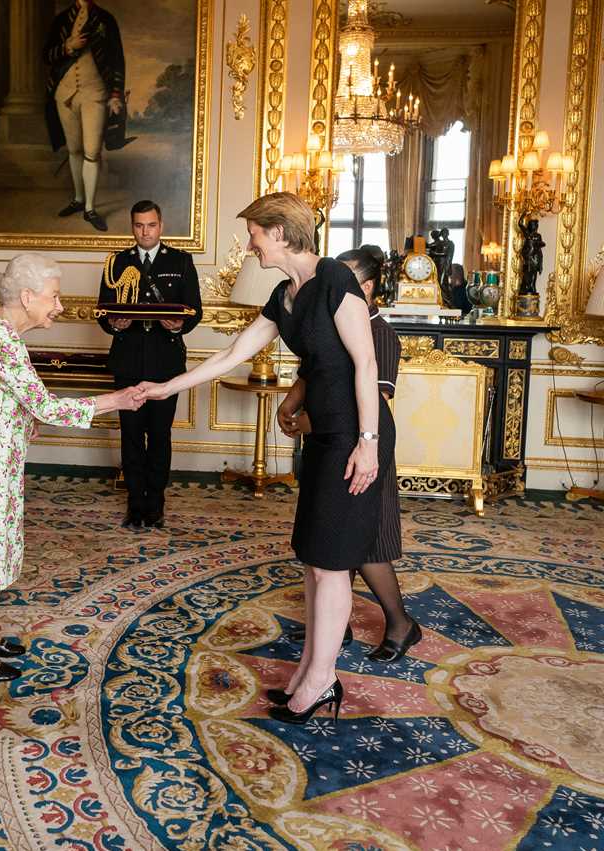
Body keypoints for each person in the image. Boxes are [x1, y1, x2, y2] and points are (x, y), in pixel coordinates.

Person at [138, 192, 392, 725]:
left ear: (279, 232)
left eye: (254, 233)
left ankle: (322, 681)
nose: (249, 243)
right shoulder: (287, 293)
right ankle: (310, 671)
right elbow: (234, 353)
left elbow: (366, 364)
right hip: (323, 435)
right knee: (313, 558)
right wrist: (165, 387)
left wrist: (368, 441)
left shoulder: (335, 282)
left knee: (333, 565)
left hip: (354, 435)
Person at [0, 254, 143, 681]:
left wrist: (21, 420)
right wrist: (116, 399)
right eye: (53, 296)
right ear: (26, 296)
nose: (59, 306)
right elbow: (45, 405)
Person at [276, 244, 420, 664]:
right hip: (330, 443)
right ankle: (334, 627)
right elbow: (314, 369)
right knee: (331, 546)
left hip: (364, 447)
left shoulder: (381, 334)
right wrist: (291, 403)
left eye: (346, 281)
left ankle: (400, 623)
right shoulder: (331, 312)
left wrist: (310, 422)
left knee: (368, 545)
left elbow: (368, 398)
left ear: (369, 287)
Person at [96, 200, 202, 528]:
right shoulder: (116, 263)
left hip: (165, 364)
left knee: (159, 435)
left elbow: (194, 310)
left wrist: (180, 325)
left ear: (161, 225)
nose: (145, 231)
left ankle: (155, 504)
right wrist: (115, 324)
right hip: (128, 361)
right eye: (139, 226)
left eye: (151, 225)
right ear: (132, 227)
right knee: (130, 435)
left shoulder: (181, 262)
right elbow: (102, 311)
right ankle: (134, 504)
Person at [43, 0, 127, 232]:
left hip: (95, 92)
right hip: (64, 93)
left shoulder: (106, 20)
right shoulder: (61, 20)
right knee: (74, 150)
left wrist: (116, 93)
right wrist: (67, 46)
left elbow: (117, 59)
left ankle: (90, 208)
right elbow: (47, 56)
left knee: (92, 152)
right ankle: (79, 199)